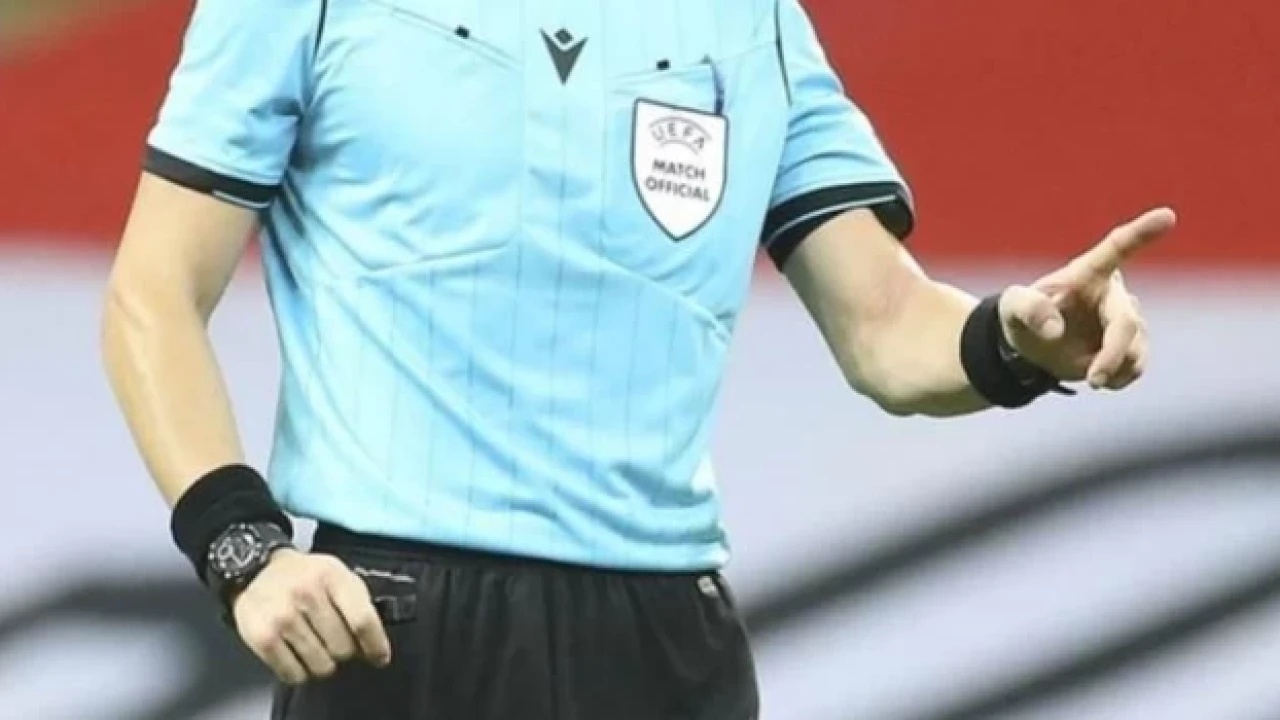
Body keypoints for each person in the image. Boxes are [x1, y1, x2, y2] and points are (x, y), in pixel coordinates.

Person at [101, 0, 1174, 718]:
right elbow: (154, 292)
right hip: (394, 629)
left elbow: (886, 329)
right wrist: (243, 550)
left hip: (666, 644)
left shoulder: (752, 19)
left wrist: (1018, 339)